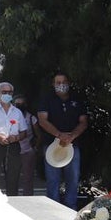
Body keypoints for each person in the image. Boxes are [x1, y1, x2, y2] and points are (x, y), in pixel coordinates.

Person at [37, 71, 88, 209]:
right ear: (53, 84)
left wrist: (71, 136)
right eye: (58, 82)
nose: (61, 85)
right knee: (53, 180)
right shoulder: (46, 99)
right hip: (51, 145)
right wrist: (59, 135)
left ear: (69, 83)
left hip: (72, 144)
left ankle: (71, 209)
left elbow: (83, 121)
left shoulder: (77, 99)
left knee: (73, 179)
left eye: (64, 82)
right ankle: (53, 210)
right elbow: (42, 120)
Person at [14, 95, 39, 196]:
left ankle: (28, 198)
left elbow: (39, 135)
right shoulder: (11, 118)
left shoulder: (31, 118)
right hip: (14, 151)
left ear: (26, 105)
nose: (19, 106)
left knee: (27, 178)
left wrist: (35, 148)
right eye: (17, 104)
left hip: (28, 151)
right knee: (13, 177)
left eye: (21, 104)